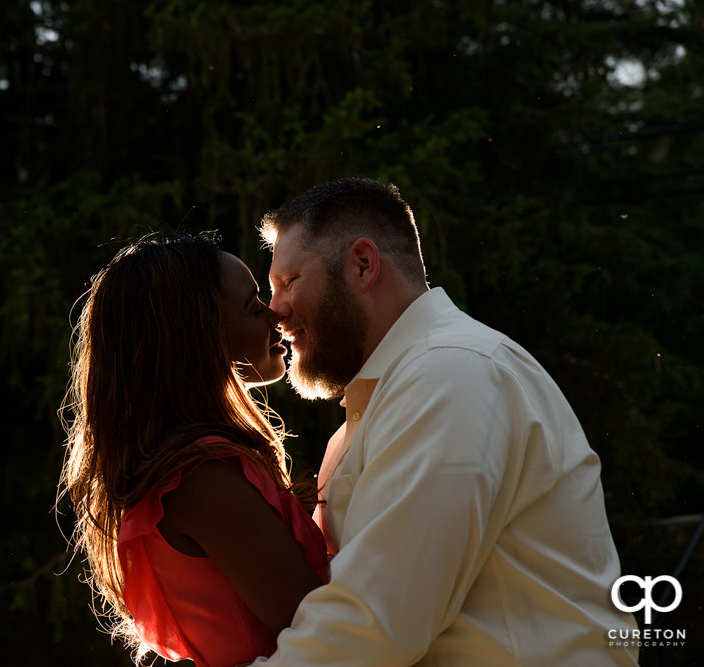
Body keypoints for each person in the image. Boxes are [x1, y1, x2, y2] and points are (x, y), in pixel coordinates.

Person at [250, 177, 640, 666]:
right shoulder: (379, 409)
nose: (275, 310)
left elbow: (376, 619)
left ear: (363, 265)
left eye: (289, 282)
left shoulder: (452, 373)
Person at [59, 232, 329, 667]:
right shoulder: (204, 477)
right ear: (198, 334)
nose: (274, 314)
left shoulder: (186, 470)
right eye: (253, 304)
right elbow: (325, 631)